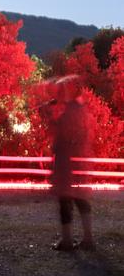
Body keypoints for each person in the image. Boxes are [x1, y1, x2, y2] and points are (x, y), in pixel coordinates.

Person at [43, 76, 96, 251]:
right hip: (79, 161)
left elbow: (62, 134)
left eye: (62, 90)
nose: (59, 94)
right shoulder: (80, 109)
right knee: (81, 199)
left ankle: (67, 240)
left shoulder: (71, 112)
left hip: (68, 162)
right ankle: (88, 238)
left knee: (65, 199)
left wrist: (49, 117)